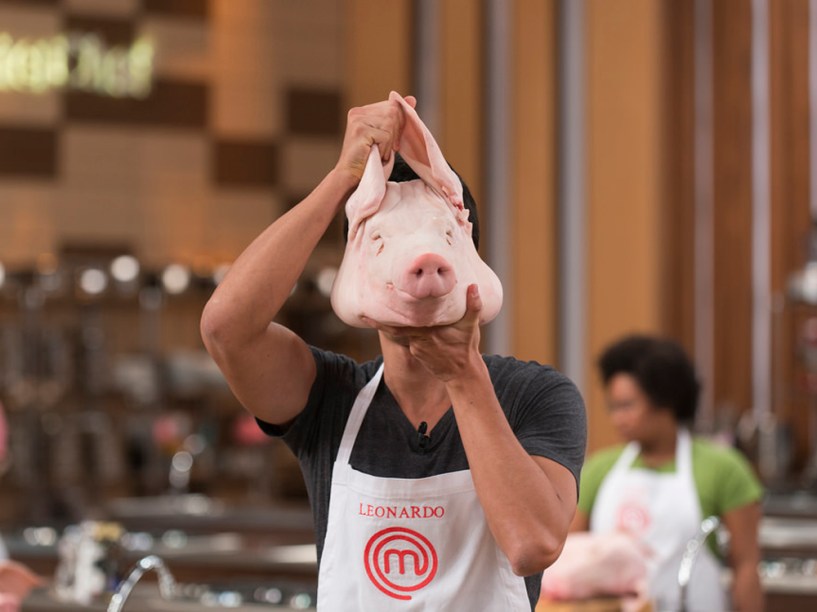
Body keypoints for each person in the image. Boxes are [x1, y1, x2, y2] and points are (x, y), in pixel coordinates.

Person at [200, 94, 587, 610]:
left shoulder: (535, 396)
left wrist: (463, 374)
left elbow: (532, 544)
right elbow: (226, 328)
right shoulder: (327, 399)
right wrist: (344, 178)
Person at [571, 334, 764, 612]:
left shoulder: (722, 469)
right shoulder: (600, 469)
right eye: (612, 408)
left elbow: (745, 566)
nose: (617, 419)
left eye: (627, 406)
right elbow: (570, 554)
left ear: (665, 402)